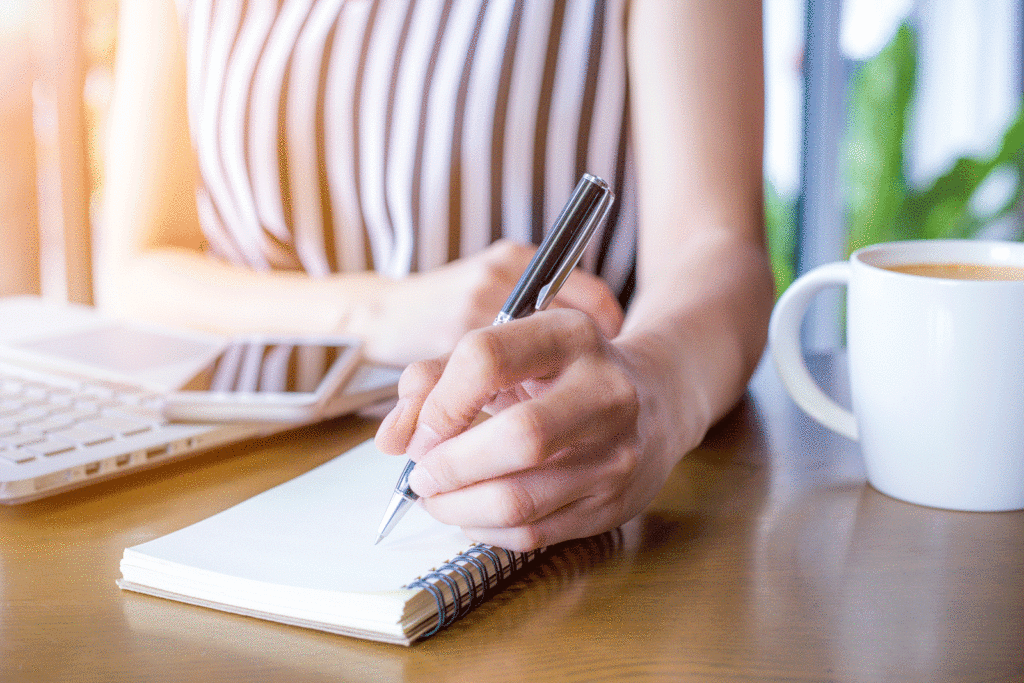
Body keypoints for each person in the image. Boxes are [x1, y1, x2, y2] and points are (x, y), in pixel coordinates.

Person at [99, 0, 773, 551]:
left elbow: (716, 244)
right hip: (218, 476)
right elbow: (137, 269)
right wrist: (381, 312)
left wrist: (656, 387)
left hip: (554, 482)